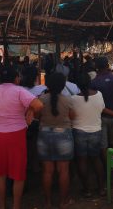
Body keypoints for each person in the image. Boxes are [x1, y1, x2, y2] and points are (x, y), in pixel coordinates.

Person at [0, 67, 43, 209]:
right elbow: (39, 105)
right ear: (16, 79)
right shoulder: (19, 91)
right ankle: (16, 206)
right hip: (16, 133)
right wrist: (30, 110)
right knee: (18, 173)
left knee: (0, 173)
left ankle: (2, 205)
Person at [37, 72, 75, 208]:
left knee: (47, 171)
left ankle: (47, 202)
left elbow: (36, 115)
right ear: (63, 85)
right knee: (63, 170)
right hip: (63, 135)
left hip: (44, 135)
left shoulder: (41, 99)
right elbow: (73, 116)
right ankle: (63, 201)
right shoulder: (68, 100)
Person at [72, 72, 106, 197]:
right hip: (96, 131)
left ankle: (87, 190)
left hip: (78, 132)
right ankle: (101, 188)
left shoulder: (73, 99)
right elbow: (102, 109)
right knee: (96, 159)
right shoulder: (99, 95)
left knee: (82, 160)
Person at [91, 57, 113, 154]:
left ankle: (108, 167)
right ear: (108, 66)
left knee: (103, 145)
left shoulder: (94, 83)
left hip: (101, 118)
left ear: (96, 67)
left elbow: (95, 104)